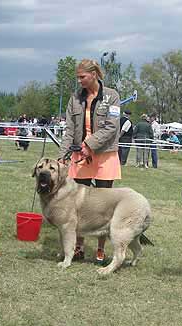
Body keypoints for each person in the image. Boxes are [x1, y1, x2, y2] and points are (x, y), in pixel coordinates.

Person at [59, 58, 121, 265]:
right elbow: (69, 130)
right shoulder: (75, 99)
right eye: (77, 77)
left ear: (94, 74)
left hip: (105, 155)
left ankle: (101, 249)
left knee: (104, 204)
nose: (79, 81)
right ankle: (78, 247)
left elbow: (112, 127)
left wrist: (90, 144)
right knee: (77, 204)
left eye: (82, 77)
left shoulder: (112, 96)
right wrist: (62, 155)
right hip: (80, 156)